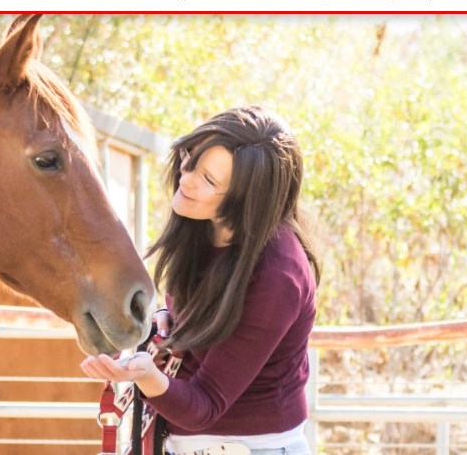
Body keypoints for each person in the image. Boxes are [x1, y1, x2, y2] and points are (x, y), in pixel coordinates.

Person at [81, 106, 321, 455]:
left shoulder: (277, 275)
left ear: (246, 202)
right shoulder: (202, 224)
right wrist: (170, 323)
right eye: (190, 158)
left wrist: (145, 375)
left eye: (209, 180)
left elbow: (205, 405)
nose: (187, 178)